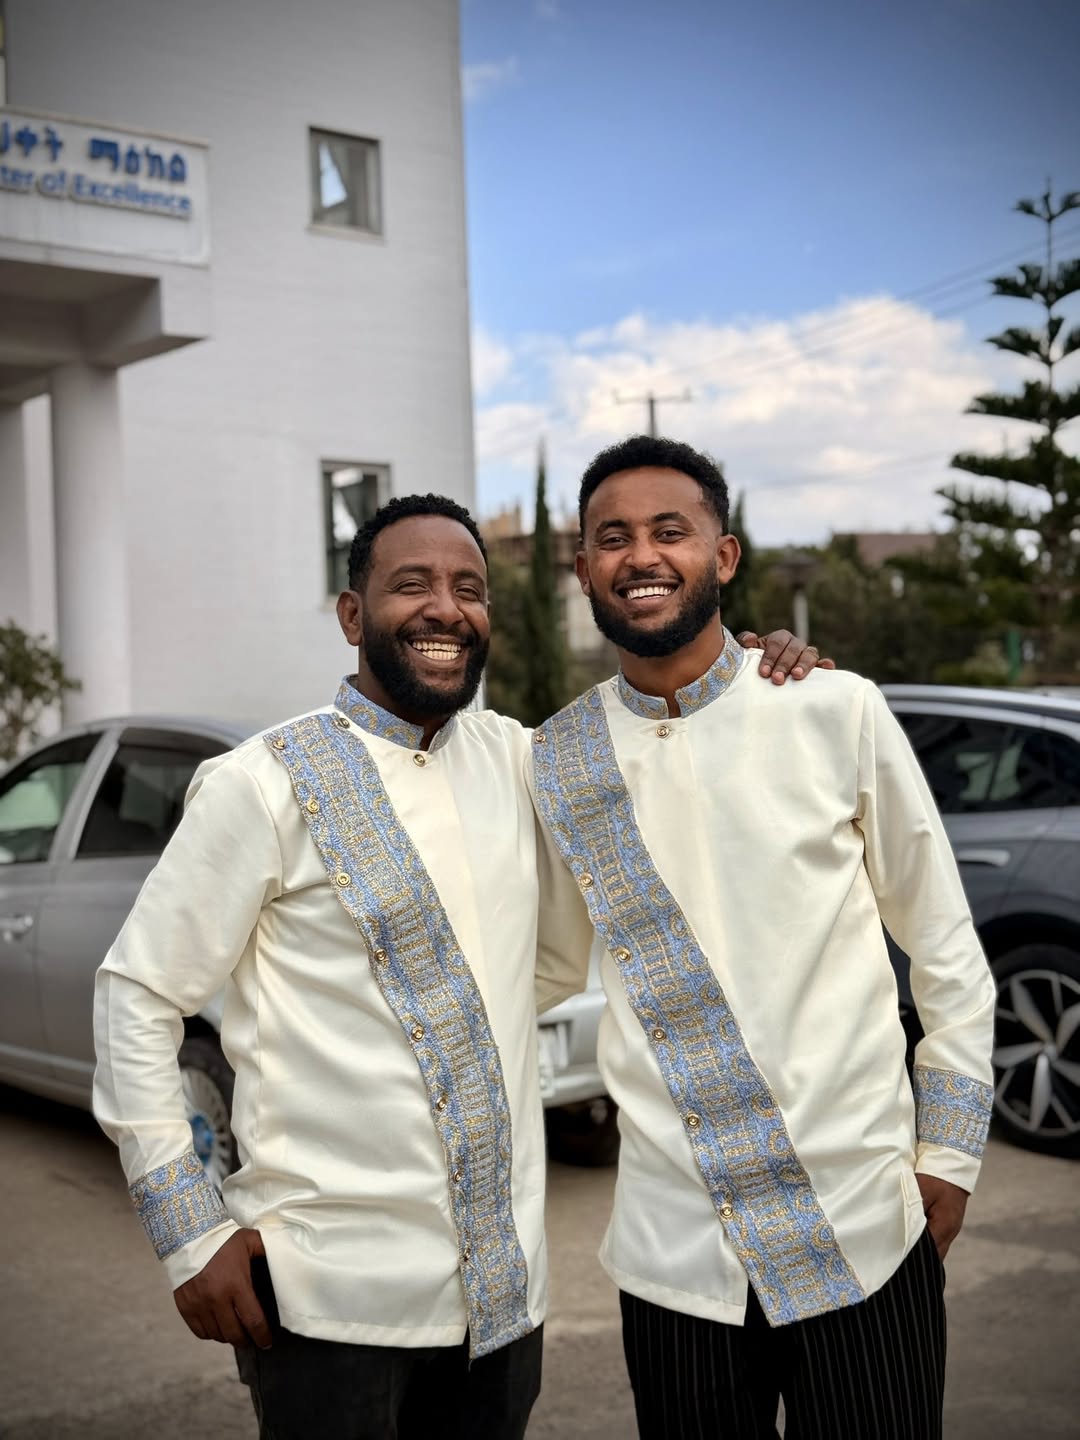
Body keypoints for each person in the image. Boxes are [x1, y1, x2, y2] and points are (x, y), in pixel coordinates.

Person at [92, 492, 823, 1440]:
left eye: (469, 589)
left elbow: (667, 743)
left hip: (502, 1303)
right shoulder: (261, 783)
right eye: (413, 586)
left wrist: (758, 673)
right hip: (326, 1300)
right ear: (353, 617)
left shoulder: (522, 758)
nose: (447, 608)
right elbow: (137, 997)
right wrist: (189, 1230)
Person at [531, 435, 996, 1440]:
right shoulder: (556, 760)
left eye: (670, 531)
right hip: (673, 1262)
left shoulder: (836, 711)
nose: (640, 555)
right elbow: (543, 965)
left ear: (725, 558)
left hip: (861, 1227)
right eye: (611, 538)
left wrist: (948, 1158)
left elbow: (948, 951)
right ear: (582, 571)